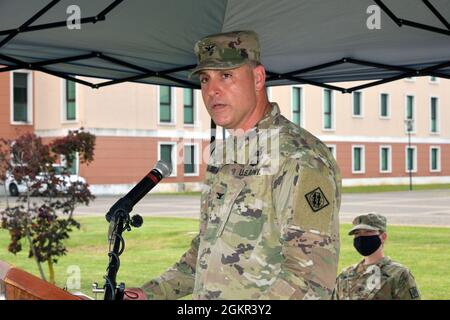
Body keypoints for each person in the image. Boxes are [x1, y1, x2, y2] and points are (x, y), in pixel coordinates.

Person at [125, 30, 341, 300]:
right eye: (205, 79)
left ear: (258, 78)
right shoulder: (223, 156)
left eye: (225, 75)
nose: (212, 90)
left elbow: (310, 280)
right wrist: (149, 294)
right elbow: (204, 253)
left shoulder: (299, 158)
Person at [332, 212, 421, 300]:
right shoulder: (345, 276)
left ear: (383, 237)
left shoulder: (398, 274)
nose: (362, 237)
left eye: (368, 232)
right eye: (357, 233)